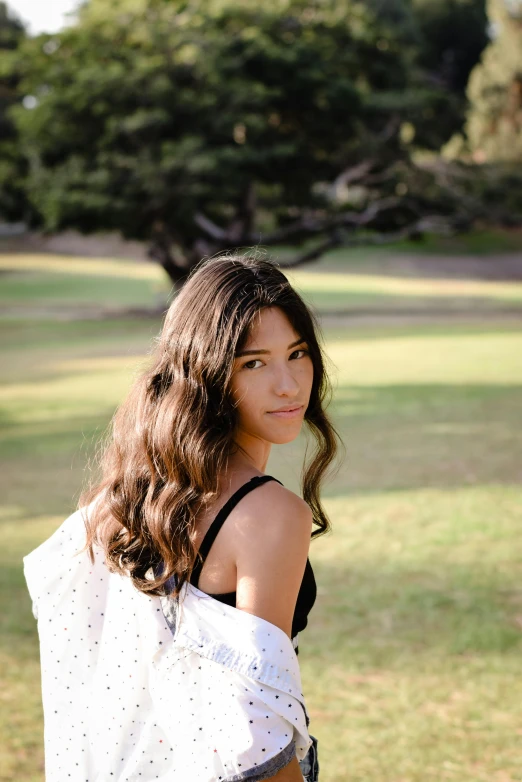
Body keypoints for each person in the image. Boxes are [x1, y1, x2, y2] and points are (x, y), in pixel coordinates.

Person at [23, 253, 341, 782]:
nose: (288, 385)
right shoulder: (271, 514)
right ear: (207, 370)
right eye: (253, 362)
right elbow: (255, 732)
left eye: (298, 352)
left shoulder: (120, 497)